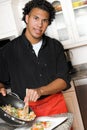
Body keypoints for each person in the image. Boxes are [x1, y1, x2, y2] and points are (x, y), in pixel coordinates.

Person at [0, 0, 71, 117]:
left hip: (55, 107)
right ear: (27, 18)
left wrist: (40, 90)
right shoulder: (7, 51)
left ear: (48, 23)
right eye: (36, 18)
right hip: (26, 111)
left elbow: (63, 81)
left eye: (44, 20)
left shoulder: (55, 46)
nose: (39, 25)